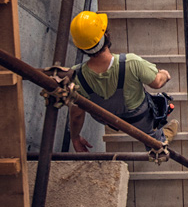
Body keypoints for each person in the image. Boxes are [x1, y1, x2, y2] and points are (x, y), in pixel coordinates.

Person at [68, 11, 178, 152]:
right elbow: (157, 83)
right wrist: (164, 74)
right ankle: (160, 142)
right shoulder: (131, 63)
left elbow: (76, 115)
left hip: (109, 120)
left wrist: (75, 138)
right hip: (139, 120)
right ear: (105, 36)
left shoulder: (76, 76)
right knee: (153, 134)